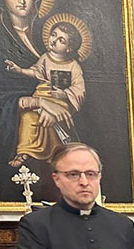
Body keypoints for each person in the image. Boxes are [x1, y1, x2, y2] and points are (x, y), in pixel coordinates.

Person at [0, 0, 73, 195]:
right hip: (8, 136)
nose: (22, 1)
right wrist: (39, 103)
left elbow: (67, 81)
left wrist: (58, 104)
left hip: (56, 132)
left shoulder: (50, 35)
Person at [6, 17, 87, 167]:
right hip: (42, 96)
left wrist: (64, 94)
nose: (54, 41)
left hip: (60, 102)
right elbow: (36, 72)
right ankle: (25, 151)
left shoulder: (73, 65)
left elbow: (79, 88)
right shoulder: (45, 58)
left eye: (61, 40)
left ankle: (55, 153)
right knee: (29, 117)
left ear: (69, 48)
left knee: (52, 121)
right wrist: (19, 70)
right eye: (53, 35)